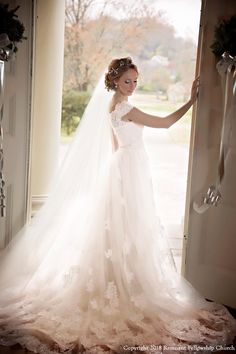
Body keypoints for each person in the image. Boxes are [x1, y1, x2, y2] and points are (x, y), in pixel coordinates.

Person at [0, 57, 235, 354]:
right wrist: (191, 102)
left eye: (136, 81)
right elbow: (164, 124)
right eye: (128, 81)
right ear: (114, 81)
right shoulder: (125, 108)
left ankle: (122, 278)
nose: (133, 86)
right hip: (128, 169)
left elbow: (115, 145)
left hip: (123, 167)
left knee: (122, 230)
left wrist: (120, 172)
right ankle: (125, 284)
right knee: (129, 228)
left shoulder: (112, 105)